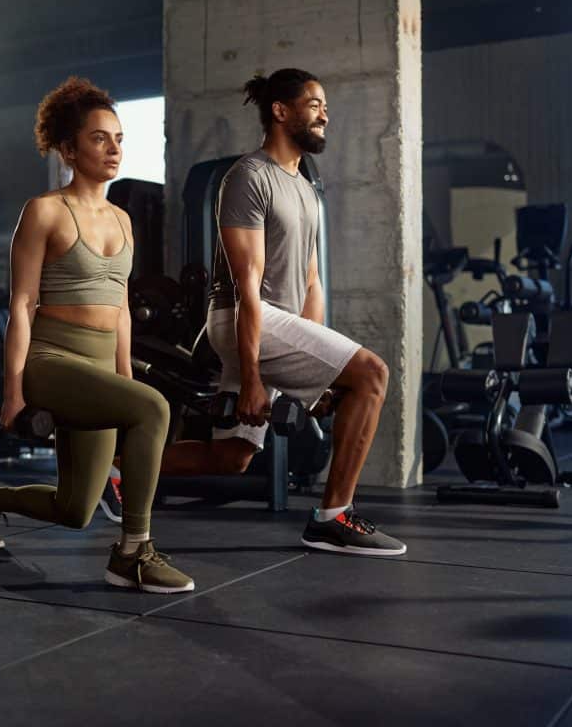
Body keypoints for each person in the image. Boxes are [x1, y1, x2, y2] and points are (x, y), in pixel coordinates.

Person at [136, 68, 407, 556]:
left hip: (277, 326)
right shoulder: (249, 176)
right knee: (372, 374)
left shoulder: (303, 186)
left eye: (325, 104)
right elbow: (245, 285)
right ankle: (332, 517)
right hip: (244, 320)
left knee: (231, 456)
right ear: (280, 111)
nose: (325, 112)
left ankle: (114, 466)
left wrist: (319, 372)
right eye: (314, 103)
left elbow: (310, 280)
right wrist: (255, 372)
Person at [0, 77, 194, 594]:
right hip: (52, 359)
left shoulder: (125, 220)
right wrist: (14, 390)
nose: (113, 149)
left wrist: (124, 382)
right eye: (99, 138)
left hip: (102, 366)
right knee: (156, 408)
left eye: (120, 138)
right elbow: (21, 303)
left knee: (75, 509)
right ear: (68, 148)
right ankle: (132, 553)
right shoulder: (44, 211)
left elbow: (123, 309)